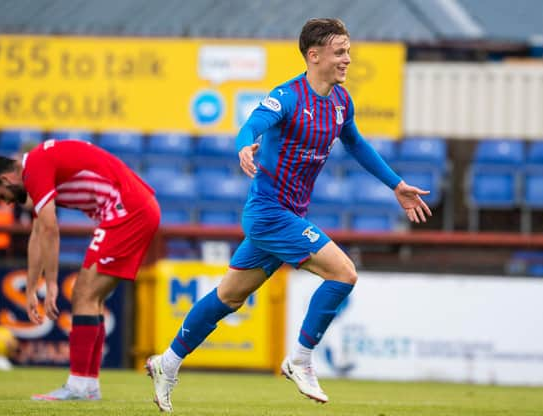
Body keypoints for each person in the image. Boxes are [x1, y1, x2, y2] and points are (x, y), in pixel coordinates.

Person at [145, 17, 432, 412]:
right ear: (314, 56)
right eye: (340, 52)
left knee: (228, 296)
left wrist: (396, 184)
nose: (348, 59)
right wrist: (245, 145)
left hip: (286, 215)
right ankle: (299, 358)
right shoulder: (288, 97)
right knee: (343, 273)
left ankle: (167, 362)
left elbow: (357, 144)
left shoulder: (340, 102)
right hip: (269, 214)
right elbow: (253, 123)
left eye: (348, 50)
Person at [0, 138, 160, 401]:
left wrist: (51, 284)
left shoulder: (35, 167)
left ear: (7, 179)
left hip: (126, 210)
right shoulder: (39, 167)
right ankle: (87, 387)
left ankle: (78, 386)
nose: (6, 203)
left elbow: (51, 229)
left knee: (83, 296)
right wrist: (31, 288)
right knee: (89, 298)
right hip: (132, 208)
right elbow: (38, 232)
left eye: (1, 196)